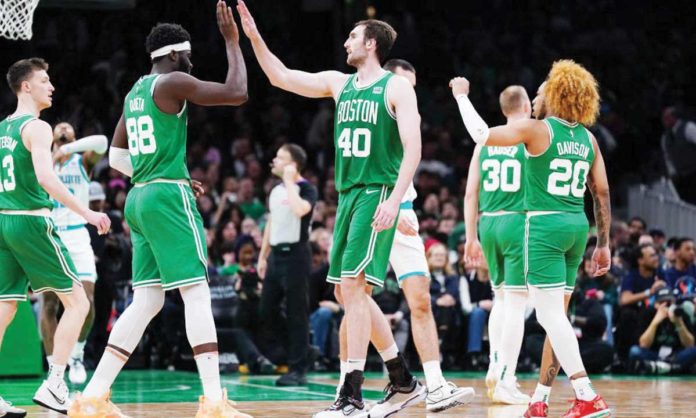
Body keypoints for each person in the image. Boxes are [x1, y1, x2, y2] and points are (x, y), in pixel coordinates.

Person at [237, 2, 423, 417]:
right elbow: (281, 76)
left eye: (353, 36)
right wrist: (254, 37)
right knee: (343, 290)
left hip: (376, 191)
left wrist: (394, 201)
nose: (345, 41)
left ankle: (352, 396)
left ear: (371, 43)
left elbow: (414, 147)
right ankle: (402, 378)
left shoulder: (396, 87)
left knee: (355, 289)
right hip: (349, 195)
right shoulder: (341, 83)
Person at [69, 2, 250, 417]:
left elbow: (116, 157)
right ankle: (214, 402)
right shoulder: (172, 80)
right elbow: (236, 92)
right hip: (166, 199)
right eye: (187, 56)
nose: (191, 63)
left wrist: (159, 173)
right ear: (173, 54)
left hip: (139, 197)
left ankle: (94, 396)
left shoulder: (135, 91)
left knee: (147, 300)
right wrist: (232, 42)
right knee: (196, 291)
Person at [451, 59, 612, 418]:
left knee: (548, 314)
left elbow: (482, 135)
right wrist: (603, 243)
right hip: (577, 226)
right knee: (555, 313)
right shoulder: (588, 138)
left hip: (543, 225)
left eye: (542, 91)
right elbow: (600, 193)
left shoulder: (538, 130)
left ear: (556, 95)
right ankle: (541, 397)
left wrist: (462, 97)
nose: (536, 96)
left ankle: (586, 393)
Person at [0, 58, 110, 416]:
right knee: (79, 303)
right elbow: (47, 179)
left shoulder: (3, 129)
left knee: (5, 307)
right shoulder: (37, 127)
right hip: (31, 222)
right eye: (44, 80)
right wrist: (88, 212)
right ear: (25, 87)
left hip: (4, 222)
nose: (52, 86)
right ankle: (55, 383)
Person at [376, 58, 474, 412]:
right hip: (374, 210)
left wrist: (400, 206)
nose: (408, 92)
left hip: (403, 211)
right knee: (354, 300)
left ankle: (433, 384)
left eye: (413, 87)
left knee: (421, 300)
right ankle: (351, 387)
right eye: (403, 84)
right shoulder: (371, 108)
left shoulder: (409, 117)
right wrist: (388, 204)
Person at [463, 85, 532, 404]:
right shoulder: (528, 137)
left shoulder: (486, 138)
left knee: (501, 298)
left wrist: (471, 236)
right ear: (526, 106)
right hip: (517, 221)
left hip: (488, 221)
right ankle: (506, 378)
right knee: (517, 303)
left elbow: (469, 194)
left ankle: (495, 367)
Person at [40, 122, 107, 385]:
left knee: (87, 302)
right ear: (52, 135)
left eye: (70, 128)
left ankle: (77, 354)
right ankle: (54, 367)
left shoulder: (82, 162)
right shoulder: (41, 161)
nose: (65, 128)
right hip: (51, 234)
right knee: (49, 305)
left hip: (78, 234)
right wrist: (53, 154)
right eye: (61, 127)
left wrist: (66, 148)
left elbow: (102, 141)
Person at [257, 143, 318, 386]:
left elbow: (301, 210)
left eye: (280, 158)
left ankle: (297, 369)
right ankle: (303, 351)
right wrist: (263, 256)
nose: (274, 161)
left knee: (297, 314)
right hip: (276, 257)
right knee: (266, 311)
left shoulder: (306, 189)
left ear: (293, 165)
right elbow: (272, 223)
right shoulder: (275, 190)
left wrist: (292, 182)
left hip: (297, 255)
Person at [629, 288, 696, 373]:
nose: (666, 306)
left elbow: (690, 345)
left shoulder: (680, 314)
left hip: (675, 355)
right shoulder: (648, 314)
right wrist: (655, 323)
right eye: (661, 303)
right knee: (634, 351)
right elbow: (643, 344)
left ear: (674, 303)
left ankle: (660, 367)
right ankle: (672, 368)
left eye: (669, 303)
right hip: (654, 354)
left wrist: (679, 323)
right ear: (655, 304)